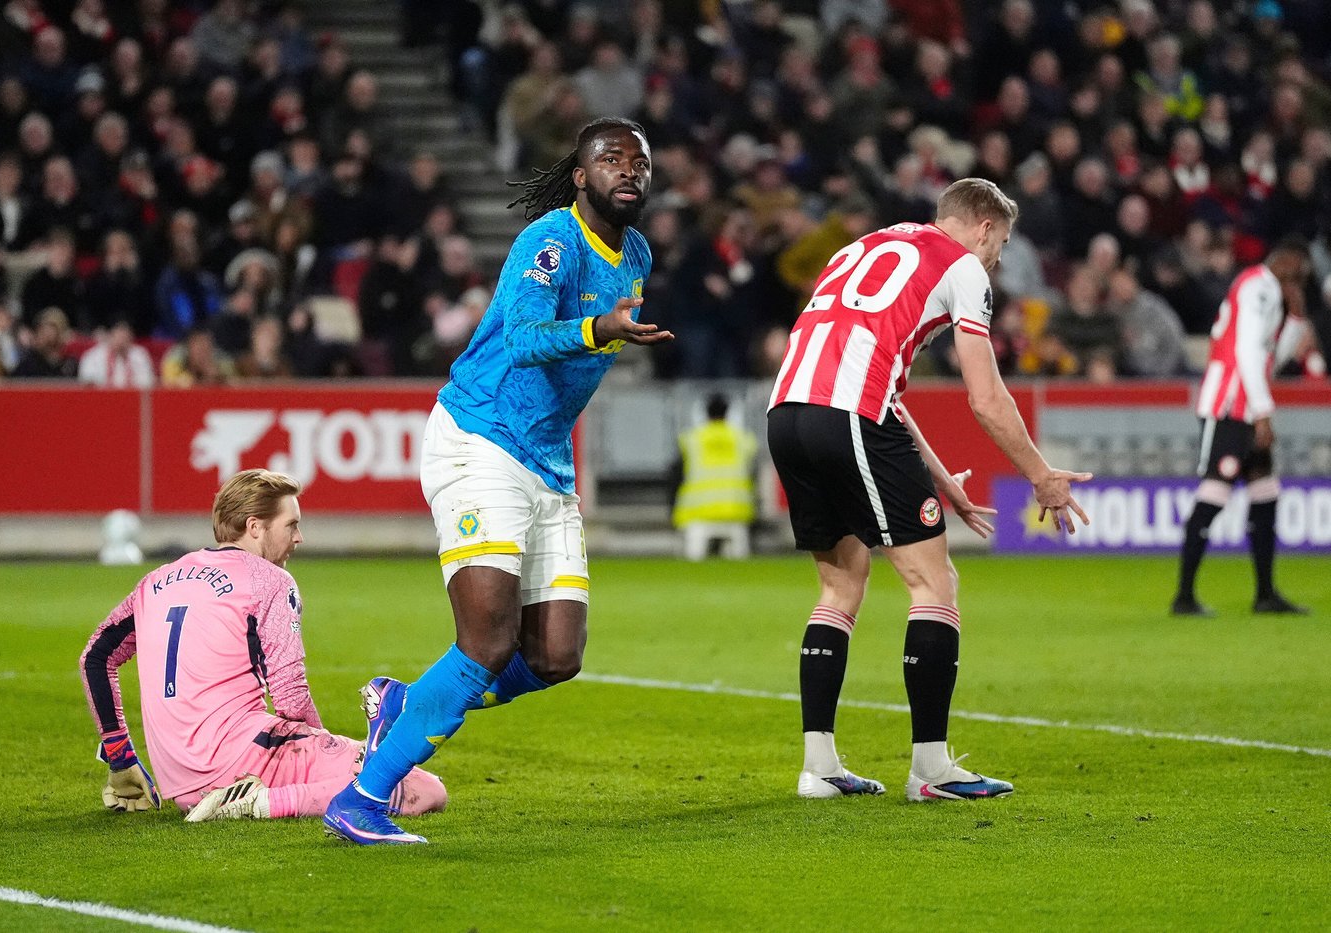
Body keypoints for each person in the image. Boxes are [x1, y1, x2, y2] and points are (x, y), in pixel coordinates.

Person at [323, 117, 671, 845]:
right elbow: (520, 338)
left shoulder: (634, 251)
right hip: (479, 439)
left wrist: (602, 328)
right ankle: (363, 795)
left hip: (547, 460)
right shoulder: (550, 241)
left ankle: (408, 701)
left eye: (639, 160)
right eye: (610, 158)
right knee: (485, 642)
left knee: (555, 655)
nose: (628, 169)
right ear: (581, 176)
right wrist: (597, 329)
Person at [766, 178, 1091, 803]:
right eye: (1002, 242)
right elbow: (987, 397)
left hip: (788, 411)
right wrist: (1041, 476)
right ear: (986, 228)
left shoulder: (865, 246)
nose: (997, 258)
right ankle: (932, 769)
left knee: (841, 583)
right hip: (849, 413)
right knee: (933, 582)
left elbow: (872, 372)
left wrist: (940, 479)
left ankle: (820, 767)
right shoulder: (965, 267)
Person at [79, 469, 447, 822]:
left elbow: (94, 659)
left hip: (181, 783)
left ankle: (249, 795)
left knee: (366, 770)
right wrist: (323, 744)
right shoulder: (268, 579)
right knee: (419, 787)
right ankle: (260, 801)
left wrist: (121, 757)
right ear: (255, 527)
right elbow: (291, 698)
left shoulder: (156, 581)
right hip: (243, 762)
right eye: (291, 524)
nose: (299, 537)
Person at [1172, 238, 1312, 616]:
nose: (1301, 276)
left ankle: (1266, 595)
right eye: (1299, 266)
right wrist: (1263, 412)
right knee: (1216, 491)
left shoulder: (1267, 291)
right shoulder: (1258, 285)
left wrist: (1296, 319)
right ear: (1285, 259)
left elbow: (1269, 358)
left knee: (1264, 492)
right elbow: (1247, 351)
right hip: (1230, 404)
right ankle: (1184, 597)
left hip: (1247, 403)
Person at [671, 393, 758, 560]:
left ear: (705, 413)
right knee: (739, 555)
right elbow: (753, 474)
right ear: (728, 413)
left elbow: (676, 476)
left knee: (694, 553)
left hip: (698, 511)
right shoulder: (743, 440)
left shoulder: (691, 439)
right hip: (735, 510)